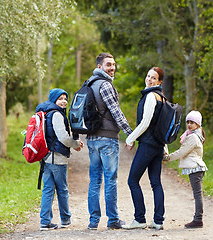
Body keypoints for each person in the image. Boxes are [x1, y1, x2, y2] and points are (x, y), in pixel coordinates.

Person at [85, 52, 133, 230]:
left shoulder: (88, 83)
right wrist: (131, 134)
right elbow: (116, 113)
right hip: (107, 139)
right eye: (108, 65)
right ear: (99, 67)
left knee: (95, 180)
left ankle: (93, 221)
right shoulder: (105, 85)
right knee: (110, 179)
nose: (112, 68)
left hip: (91, 139)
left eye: (113, 64)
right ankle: (113, 220)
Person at [123, 67, 166, 230]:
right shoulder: (163, 98)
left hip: (148, 145)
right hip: (158, 146)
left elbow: (145, 123)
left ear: (159, 82)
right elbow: (161, 127)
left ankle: (139, 219)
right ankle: (158, 221)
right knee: (156, 182)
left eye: (153, 78)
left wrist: (130, 138)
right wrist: (165, 148)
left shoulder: (150, 96)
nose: (149, 79)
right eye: (148, 76)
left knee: (132, 180)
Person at [35, 88, 84, 231]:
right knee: (62, 190)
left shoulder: (46, 112)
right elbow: (63, 137)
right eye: (60, 99)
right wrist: (75, 144)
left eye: (65, 99)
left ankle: (45, 222)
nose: (63, 101)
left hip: (45, 158)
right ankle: (66, 219)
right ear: (54, 100)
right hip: (57, 159)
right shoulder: (56, 114)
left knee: (48, 190)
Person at [164, 110, 207, 229]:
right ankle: (198, 219)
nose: (189, 124)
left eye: (192, 122)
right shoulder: (193, 135)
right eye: (188, 122)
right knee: (197, 194)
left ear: (198, 124)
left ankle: (198, 219)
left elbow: (182, 151)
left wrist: (168, 158)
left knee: (197, 194)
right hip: (195, 167)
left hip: (195, 168)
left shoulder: (193, 137)